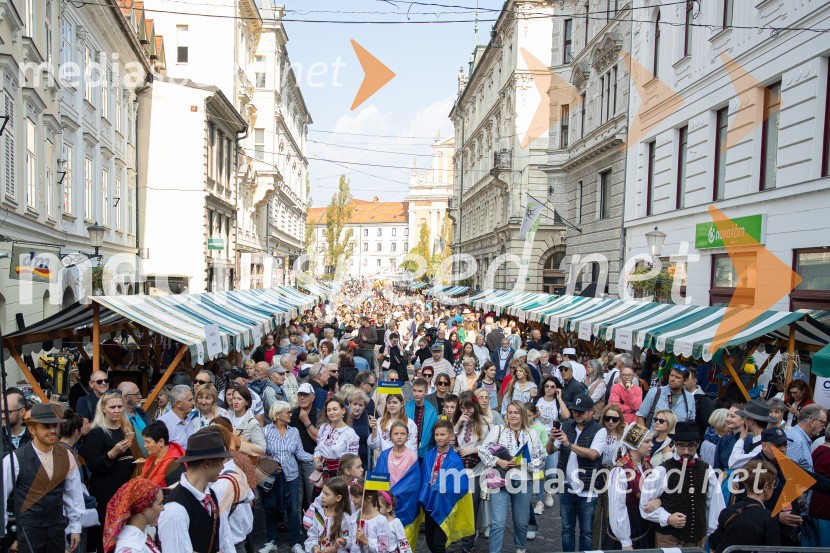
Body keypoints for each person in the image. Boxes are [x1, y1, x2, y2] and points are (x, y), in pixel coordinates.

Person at [2, 403, 84, 553]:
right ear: (32, 429)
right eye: (46, 426)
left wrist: (76, 527)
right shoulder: (14, 459)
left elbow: (74, 494)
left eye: (55, 426)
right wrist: (6, 537)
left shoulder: (66, 455)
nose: (53, 430)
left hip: (56, 529)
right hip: (28, 530)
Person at [640, 421, 725, 548]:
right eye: (681, 446)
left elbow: (715, 506)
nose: (686, 451)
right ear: (675, 444)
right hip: (669, 539)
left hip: (697, 540)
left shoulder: (707, 470)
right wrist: (667, 518)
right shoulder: (662, 470)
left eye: (690, 446)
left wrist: (713, 535)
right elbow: (644, 506)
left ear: (698, 444)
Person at [480, 401, 544, 553]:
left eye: (516, 412)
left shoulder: (531, 433)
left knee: (521, 521)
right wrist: (499, 461)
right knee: (498, 522)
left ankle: (520, 548)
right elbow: (483, 450)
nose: (513, 415)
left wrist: (524, 463)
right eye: (510, 412)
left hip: (523, 481)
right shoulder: (498, 430)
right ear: (506, 415)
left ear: (522, 414)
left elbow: (540, 457)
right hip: (500, 480)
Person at [158, 427, 236, 553]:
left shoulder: (211, 494)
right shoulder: (175, 509)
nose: (223, 467)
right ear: (207, 463)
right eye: (221, 461)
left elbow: (225, 541)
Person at [79, 390, 137, 553]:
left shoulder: (126, 428)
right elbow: (93, 465)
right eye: (113, 407)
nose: (117, 410)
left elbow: (135, 455)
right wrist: (112, 454)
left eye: (120, 406)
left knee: (123, 532)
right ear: (103, 408)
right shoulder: (97, 432)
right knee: (105, 533)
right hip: (106, 490)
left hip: (125, 488)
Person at [548, 394, 606, 552]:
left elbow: (593, 454)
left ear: (591, 411)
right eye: (575, 411)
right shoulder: (567, 426)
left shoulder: (599, 430)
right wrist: (551, 439)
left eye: (581, 411)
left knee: (586, 532)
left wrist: (568, 443)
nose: (577, 414)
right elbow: (550, 450)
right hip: (566, 485)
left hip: (587, 487)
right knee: (567, 529)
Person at [420, 419, 475, 553]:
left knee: (439, 544)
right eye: (437, 435)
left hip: (444, 506)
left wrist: (442, 489)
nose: (439, 438)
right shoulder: (428, 456)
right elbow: (424, 477)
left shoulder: (455, 460)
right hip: (429, 504)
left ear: (451, 436)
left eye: (442, 435)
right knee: (429, 540)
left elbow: (461, 486)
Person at [709, 459, 780, 552]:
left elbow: (714, 544)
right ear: (766, 486)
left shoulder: (727, 511)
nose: (774, 488)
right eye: (774, 484)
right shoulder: (768, 518)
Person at [605, 422, 656, 550]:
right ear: (635, 444)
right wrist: (625, 541)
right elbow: (617, 507)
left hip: (644, 527)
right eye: (647, 442)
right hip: (628, 527)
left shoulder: (647, 466)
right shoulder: (621, 470)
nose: (652, 445)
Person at [102, 478, 164, 553]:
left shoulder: (140, 538)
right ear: (144, 507)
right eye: (160, 504)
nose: (163, 508)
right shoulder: (131, 549)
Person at [302, 477, 355, 553]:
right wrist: (315, 548)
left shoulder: (345, 519)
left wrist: (335, 549)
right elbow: (312, 536)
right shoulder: (318, 515)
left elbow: (350, 541)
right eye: (323, 492)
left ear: (338, 498)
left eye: (327, 494)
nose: (322, 497)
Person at [313, 397, 359, 483]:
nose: (331, 413)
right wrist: (317, 461)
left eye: (335, 409)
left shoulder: (350, 433)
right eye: (329, 410)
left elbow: (352, 460)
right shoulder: (323, 428)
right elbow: (318, 449)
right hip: (322, 474)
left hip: (339, 476)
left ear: (343, 410)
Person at [636, 364, 696, 430]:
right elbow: (640, 416)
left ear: (685, 381)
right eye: (672, 375)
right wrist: (645, 436)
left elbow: (690, 422)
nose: (673, 379)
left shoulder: (689, 398)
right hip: (653, 438)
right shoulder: (655, 392)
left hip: (676, 439)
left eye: (677, 377)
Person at [291, 383, 318, 509]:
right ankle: (298, 527)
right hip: (294, 462)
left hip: (312, 462)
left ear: (312, 397)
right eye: (300, 395)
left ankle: (311, 527)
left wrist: (306, 421)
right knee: (295, 501)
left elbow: (320, 439)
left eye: (305, 395)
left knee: (312, 499)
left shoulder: (318, 414)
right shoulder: (291, 414)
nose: (302, 398)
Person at [729, 399, 776, 470]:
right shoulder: (758, 440)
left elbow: (733, 463)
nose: (743, 420)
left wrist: (741, 440)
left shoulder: (762, 446)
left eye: (744, 418)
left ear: (751, 421)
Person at [140, 420, 185, 487]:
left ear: (161, 442)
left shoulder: (175, 464)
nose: (145, 446)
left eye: (148, 442)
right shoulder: (152, 458)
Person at [226, 384, 266, 458]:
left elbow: (262, 449)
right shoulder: (227, 415)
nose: (236, 402)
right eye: (234, 398)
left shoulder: (252, 423)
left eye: (239, 399)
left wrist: (241, 444)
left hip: (242, 463)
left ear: (247, 402)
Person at [406, 378, 438, 460]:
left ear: (426, 392)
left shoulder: (432, 410)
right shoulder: (406, 408)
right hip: (408, 448)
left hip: (425, 450)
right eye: (414, 390)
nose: (416, 394)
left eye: (420, 391)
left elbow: (433, 431)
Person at [354, 489, 393, 553]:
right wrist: (344, 541)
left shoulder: (381, 521)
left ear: (369, 498)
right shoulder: (355, 516)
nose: (352, 499)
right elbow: (352, 542)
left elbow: (384, 549)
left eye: (357, 497)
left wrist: (366, 541)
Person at [117, 381, 150, 456]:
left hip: (150, 461)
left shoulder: (142, 413)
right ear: (125, 398)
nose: (140, 396)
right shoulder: (118, 419)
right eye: (137, 394)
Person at [157, 384, 195, 448]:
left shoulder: (190, 419)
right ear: (178, 403)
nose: (193, 402)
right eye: (189, 400)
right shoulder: (162, 423)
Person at [1, 388, 31, 452]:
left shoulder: (34, 435)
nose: (2, 416)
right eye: (1, 412)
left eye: (7, 412)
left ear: (22, 412)